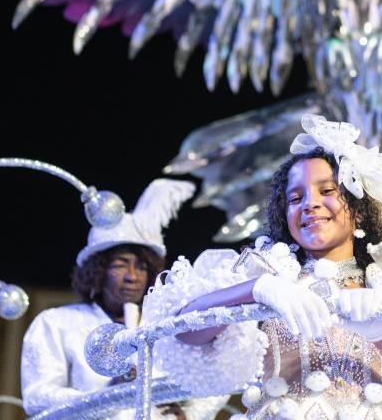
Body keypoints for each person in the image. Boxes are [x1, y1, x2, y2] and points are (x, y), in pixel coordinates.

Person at [143, 114, 382, 420]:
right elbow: (185, 332)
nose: (309, 204)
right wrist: (256, 289)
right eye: (295, 198)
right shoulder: (270, 272)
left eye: (327, 191)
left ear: (359, 210)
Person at [21, 178, 228, 420]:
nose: (132, 276)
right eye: (120, 265)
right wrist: (111, 395)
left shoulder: (167, 326)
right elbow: (37, 398)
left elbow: (218, 378)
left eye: (141, 267)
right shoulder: (56, 323)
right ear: (97, 270)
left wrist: (190, 415)